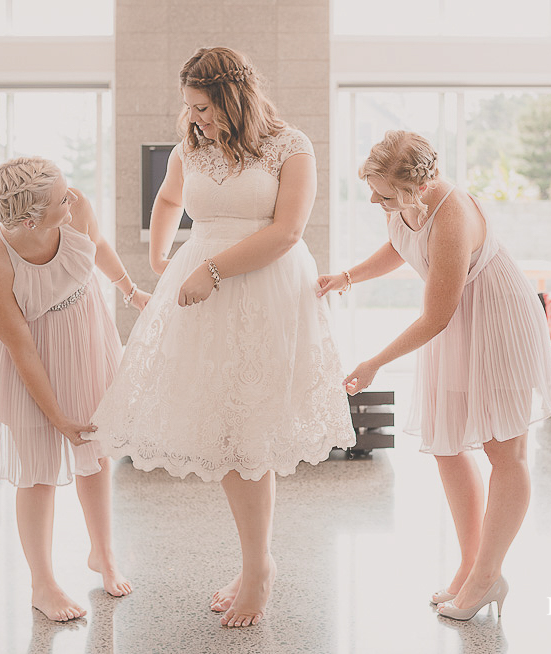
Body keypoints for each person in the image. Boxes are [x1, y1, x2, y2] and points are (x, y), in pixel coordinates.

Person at [86, 47, 355, 628]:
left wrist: (210, 272)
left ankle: (258, 569)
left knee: (250, 431)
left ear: (234, 98)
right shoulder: (191, 147)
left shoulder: (292, 146)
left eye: (203, 107)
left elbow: (287, 232)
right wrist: (162, 258)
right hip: (201, 294)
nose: (196, 118)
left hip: (264, 287)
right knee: (226, 430)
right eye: (189, 107)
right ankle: (255, 561)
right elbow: (167, 199)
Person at [317, 131, 551, 621]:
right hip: (457, 318)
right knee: (448, 447)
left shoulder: (451, 215)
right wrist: (346, 277)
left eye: (383, 194)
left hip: (495, 319)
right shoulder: (405, 205)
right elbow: (400, 242)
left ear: (419, 187)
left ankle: (487, 576)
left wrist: (374, 362)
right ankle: (472, 566)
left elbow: (435, 316)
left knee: (503, 451)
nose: (373, 200)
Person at [0, 156, 150, 621]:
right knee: (38, 472)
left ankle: (102, 555)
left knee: (96, 453)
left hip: (87, 337)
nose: (73, 199)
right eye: (61, 198)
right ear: (29, 219)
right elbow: (22, 351)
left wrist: (130, 291)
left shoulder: (76, 209)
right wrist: (57, 417)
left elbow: (97, 246)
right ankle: (42, 584)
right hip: (33, 357)